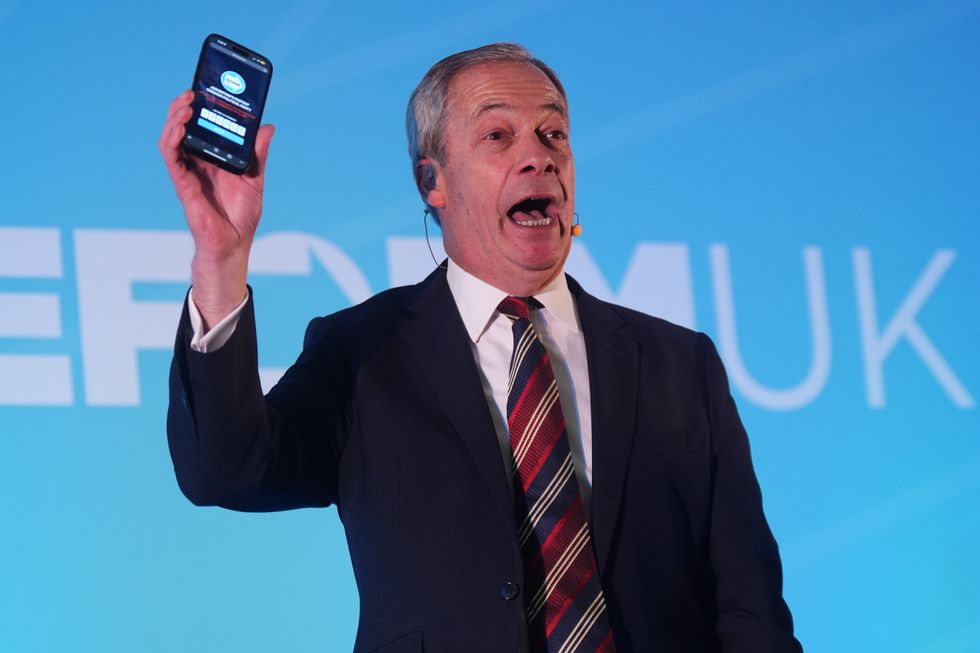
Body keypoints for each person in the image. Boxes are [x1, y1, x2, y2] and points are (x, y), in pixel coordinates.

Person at [161, 43, 802, 653]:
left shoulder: (680, 365)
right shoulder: (361, 352)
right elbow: (226, 468)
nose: (539, 157)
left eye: (554, 134)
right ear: (432, 180)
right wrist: (220, 259)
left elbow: (750, 609)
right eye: (498, 136)